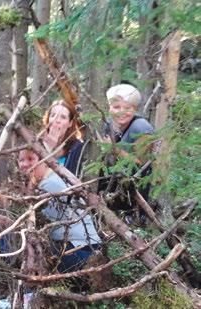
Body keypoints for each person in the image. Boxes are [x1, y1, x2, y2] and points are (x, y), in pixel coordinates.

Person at [18, 148, 101, 273]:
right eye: (21, 160)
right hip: (82, 247)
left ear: (44, 162)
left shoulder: (49, 185)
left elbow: (39, 224)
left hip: (81, 250)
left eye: (30, 159)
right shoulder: (52, 178)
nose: (24, 164)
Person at [100, 84, 155, 216]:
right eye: (116, 107)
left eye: (127, 108)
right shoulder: (109, 125)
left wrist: (115, 150)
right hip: (114, 191)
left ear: (135, 109)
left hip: (136, 198)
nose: (121, 112)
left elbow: (142, 164)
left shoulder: (141, 128)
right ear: (109, 108)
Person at [42, 100, 84, 177]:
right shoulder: (38, 144)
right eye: (53, 115)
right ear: (48, 120)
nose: (57, 120)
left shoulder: (77, 148)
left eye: (63, 117)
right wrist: (48, 148)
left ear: (70, 123)